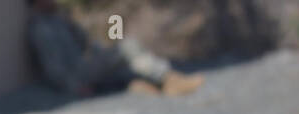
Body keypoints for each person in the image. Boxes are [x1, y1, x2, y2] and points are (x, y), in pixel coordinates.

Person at [27, 0, 205, 97]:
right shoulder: (42, 28)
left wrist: (70, 23)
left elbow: (84, 41)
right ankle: (167, 77)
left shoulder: (57, 21)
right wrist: (74, 88)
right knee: (127, 47)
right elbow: (54, 68)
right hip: (78, 75)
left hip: (85, 67)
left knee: (125, 62)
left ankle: (153, 84)